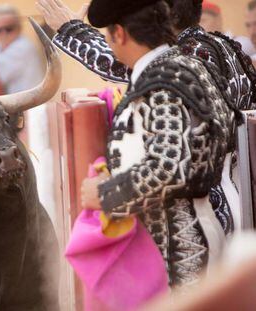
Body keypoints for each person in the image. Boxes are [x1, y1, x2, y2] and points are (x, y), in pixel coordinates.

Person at [37, 0, 256, 237]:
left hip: (194, 225)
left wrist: (105, 195)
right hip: (232, 202)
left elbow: (168, 167)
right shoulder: (219, 47)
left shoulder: (178, 65)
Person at [59, 0, 236, 287]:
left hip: (177, 253)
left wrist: (106, 194)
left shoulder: (163, 80)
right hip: (192, 234)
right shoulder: (184, 66)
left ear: (120, 33)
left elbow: (168, 166)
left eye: (107, 36)